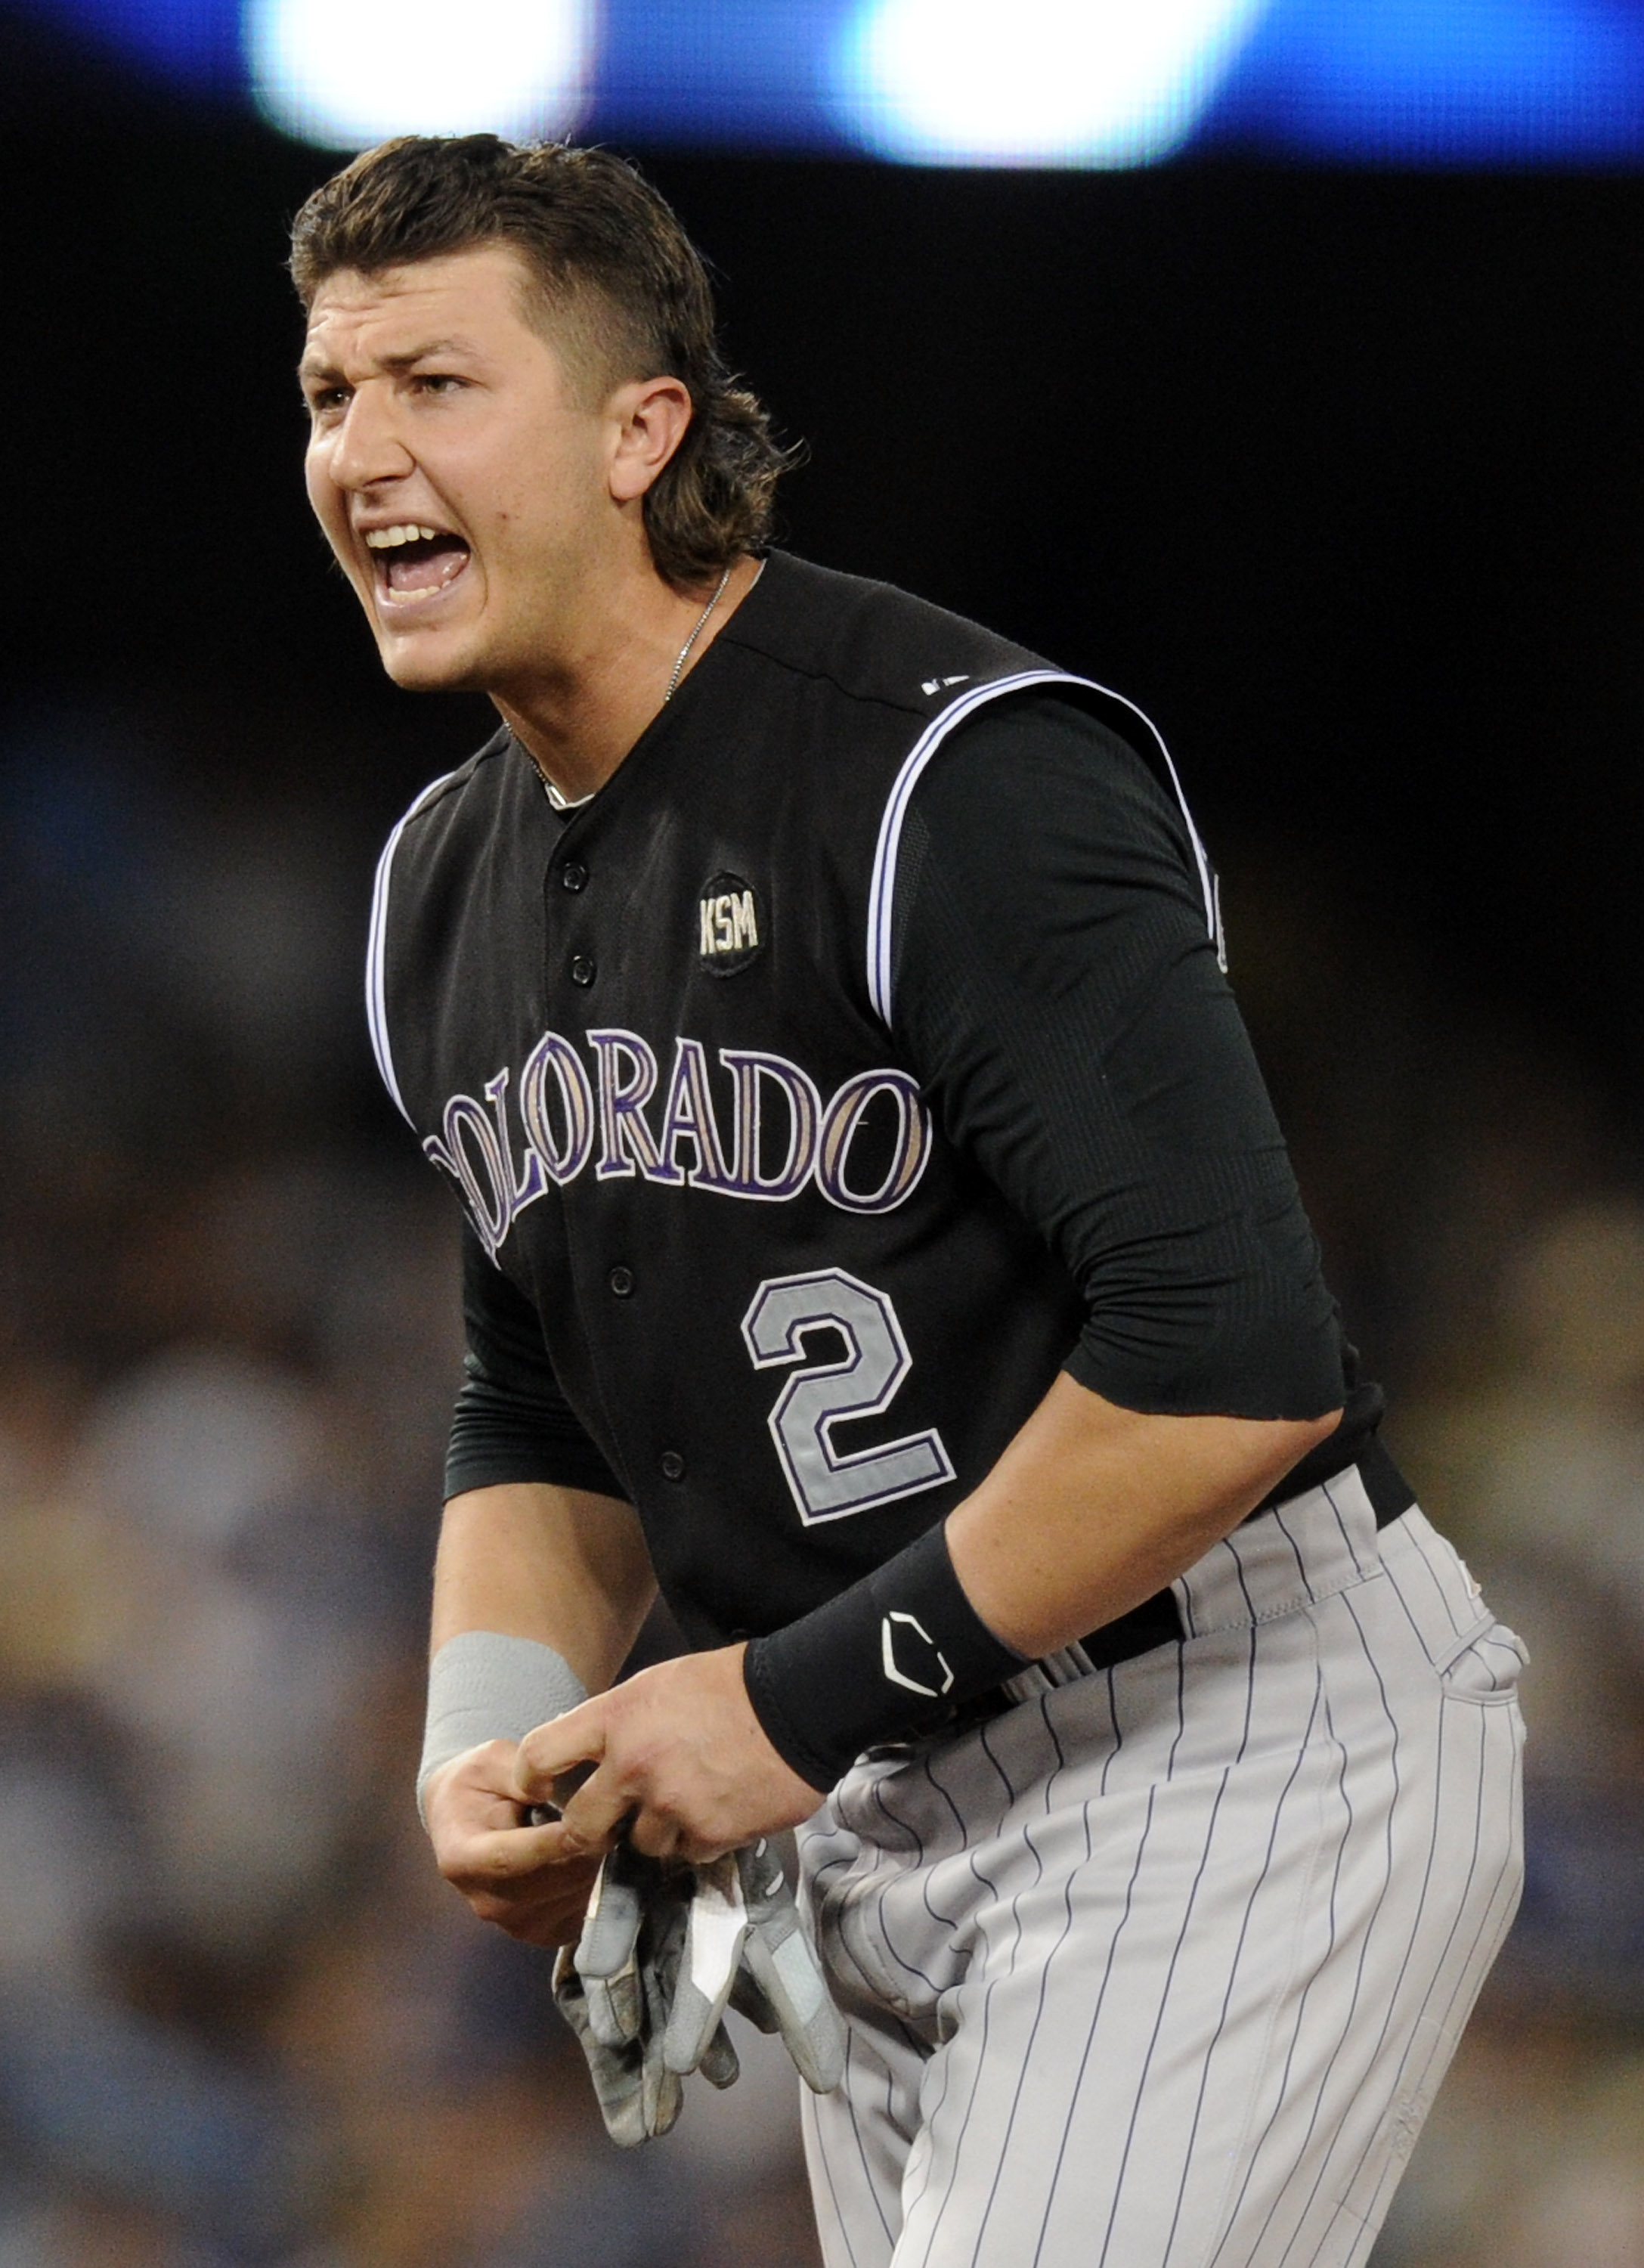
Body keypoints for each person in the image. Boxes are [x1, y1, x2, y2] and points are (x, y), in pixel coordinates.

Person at [291, 134, 1526, 2267]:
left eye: (436, 383)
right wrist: (500, 1741)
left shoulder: (945, 776)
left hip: (1218, 1739)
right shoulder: (437, 889)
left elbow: (1233, 1364)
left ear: (635, 431)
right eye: (331, 395)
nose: (364, 449)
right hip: (880, 1781)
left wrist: (781, 1704)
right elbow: (543, 1376)